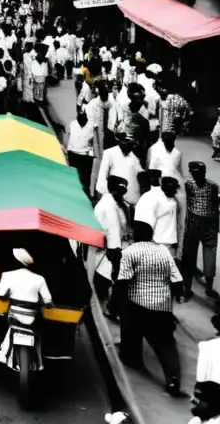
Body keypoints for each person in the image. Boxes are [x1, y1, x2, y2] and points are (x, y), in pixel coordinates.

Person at [116, 220, 184, 395]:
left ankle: (131, 358)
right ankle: (172, 379)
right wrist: (173, 301)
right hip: (163, 306)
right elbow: (177, 280)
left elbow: (123, 281)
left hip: (137, 305)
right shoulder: (163, 251)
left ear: (135, 236)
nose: (128, 236)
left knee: (132, 332)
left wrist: (118, 305)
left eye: (130, 233)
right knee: (166, 344)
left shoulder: (129, 252)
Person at [0, 248, 53, 365]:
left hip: (14, 314)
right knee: (42, 327)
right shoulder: (40, 279)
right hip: (32, 317)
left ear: (16, 262)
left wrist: (7, 296)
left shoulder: (7, 275)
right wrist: (46, 304)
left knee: (0, 323)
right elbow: (48, 301)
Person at [94, 175, 131, 315]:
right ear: (113, 189)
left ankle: (109, 306)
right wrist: (115, 253)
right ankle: (108, 307)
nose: (124, 193)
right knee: (109, 277)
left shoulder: (116, 203)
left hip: (113, 245)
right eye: (121, 190)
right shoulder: (109, 205)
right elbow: (113, 230)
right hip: (108, 248)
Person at [183, 161, 220, 301]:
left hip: (208, 225)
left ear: (204, 173)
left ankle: (208, 287)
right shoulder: (188, 185)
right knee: (189, 257)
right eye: (194, 173)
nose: (195, 176)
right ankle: (188, 288)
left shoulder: (213, 187)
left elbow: (216, 206)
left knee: (209, 257)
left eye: (198, 173)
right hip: (194, 224)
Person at [135, 172, 182, 258]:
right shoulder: (170, 203)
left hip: (165, 244)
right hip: (163, 244)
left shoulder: (171, 202)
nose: (175, 191)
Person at [96, 134, 144, 205]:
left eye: (131, 145)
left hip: (133, 200)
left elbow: (140, 175)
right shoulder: (109, 153)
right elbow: (101, 180)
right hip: (116, 199)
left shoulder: (134, 157)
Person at [66, 110, 96, 196]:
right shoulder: (73, 124)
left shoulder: (91, 126)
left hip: (84, 155)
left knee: (84, 178)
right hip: (74, 154)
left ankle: (84, 192)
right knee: (76, 175)